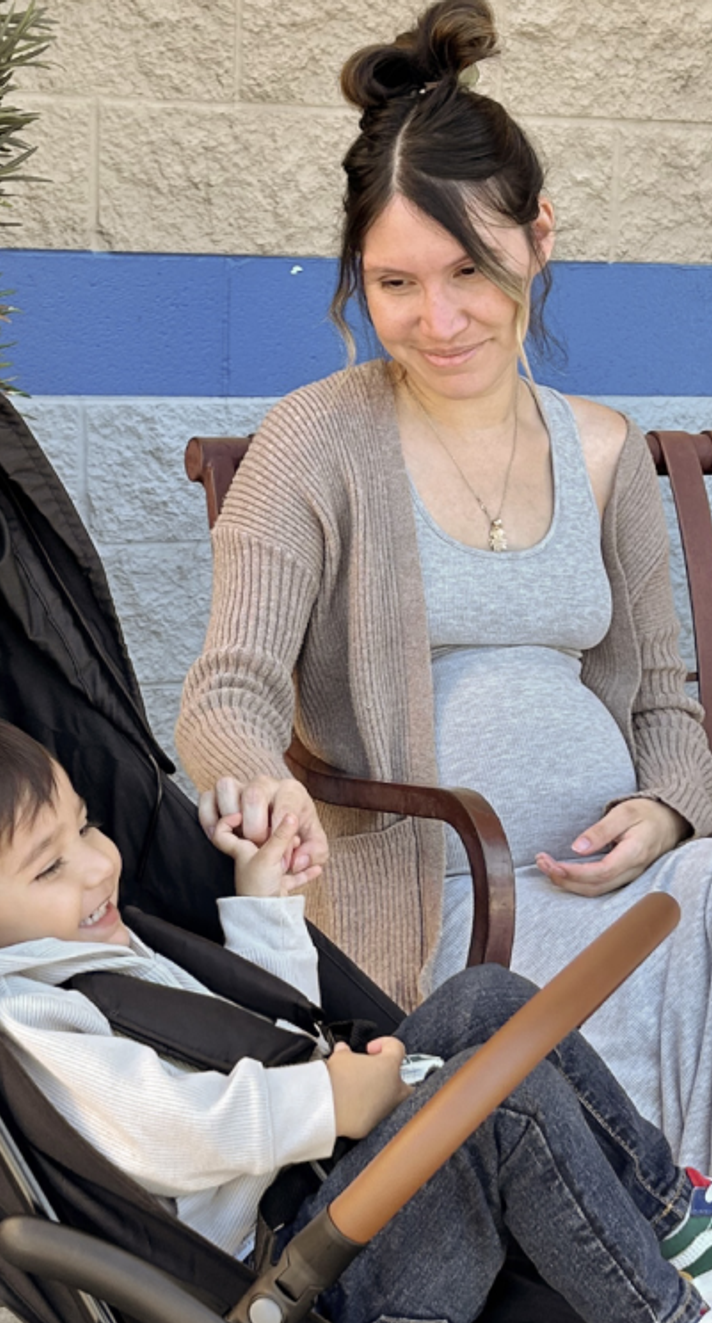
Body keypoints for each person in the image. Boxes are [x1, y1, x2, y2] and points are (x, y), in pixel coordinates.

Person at [171, 0, 712, 1173]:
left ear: (540, 238)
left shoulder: (608, 450)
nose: (438, 319)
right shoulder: (313, 441)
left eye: (468, 269)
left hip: (618, 877)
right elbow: (226, 693)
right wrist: (259, 786)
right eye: (395, 283)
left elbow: (664, 699)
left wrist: (665, 813)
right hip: (432, 895)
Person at [0, 713, 712, 1323]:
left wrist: (264, 903)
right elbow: (169, 1130)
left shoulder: (90, 950)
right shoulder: (31, 1018)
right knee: (502, 1099)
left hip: (328, 1209)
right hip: (312, 1306)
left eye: (85, 827)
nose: (97, 864)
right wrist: (329, 1101)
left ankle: (673, 1221)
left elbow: (263, 1037)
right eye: (47, 867)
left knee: (487, 1001)